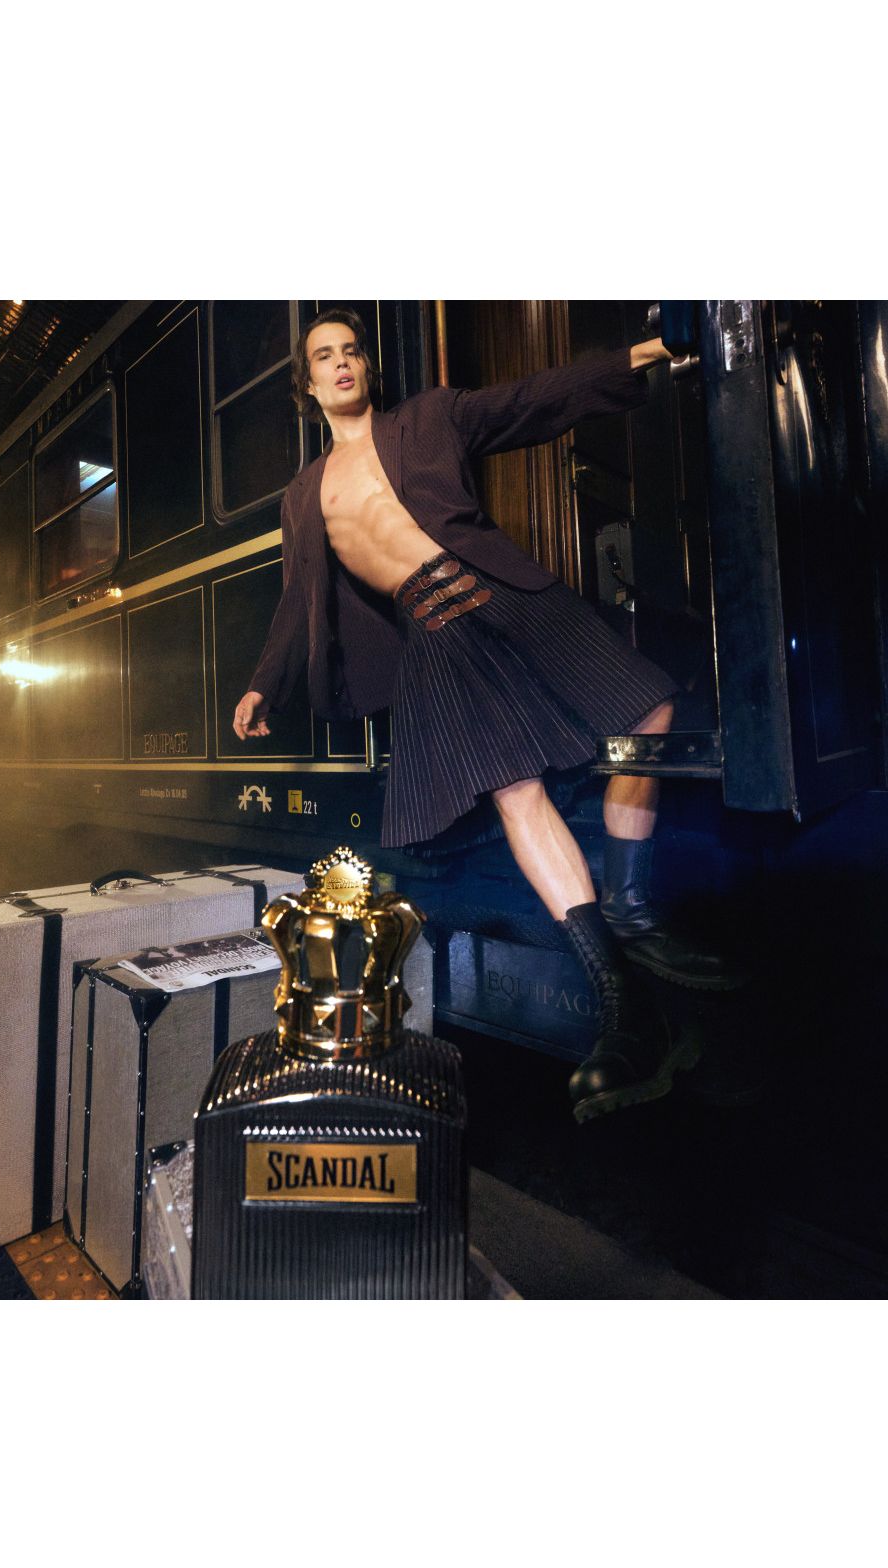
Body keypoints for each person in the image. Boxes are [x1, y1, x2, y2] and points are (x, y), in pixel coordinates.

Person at [233, 307, 737, 1121]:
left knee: (650, 708)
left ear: (367, 367)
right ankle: (622, 1002)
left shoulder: (430, 419)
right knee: (516, 793)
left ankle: (630, 905)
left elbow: (534, 399)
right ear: (309, 383)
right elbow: (298, 602)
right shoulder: (304, 494)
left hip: (504, 595)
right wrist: (264, 683)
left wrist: (649, 350)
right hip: (433, 634)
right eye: (324, 356)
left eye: (352, 350)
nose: (342, 363)